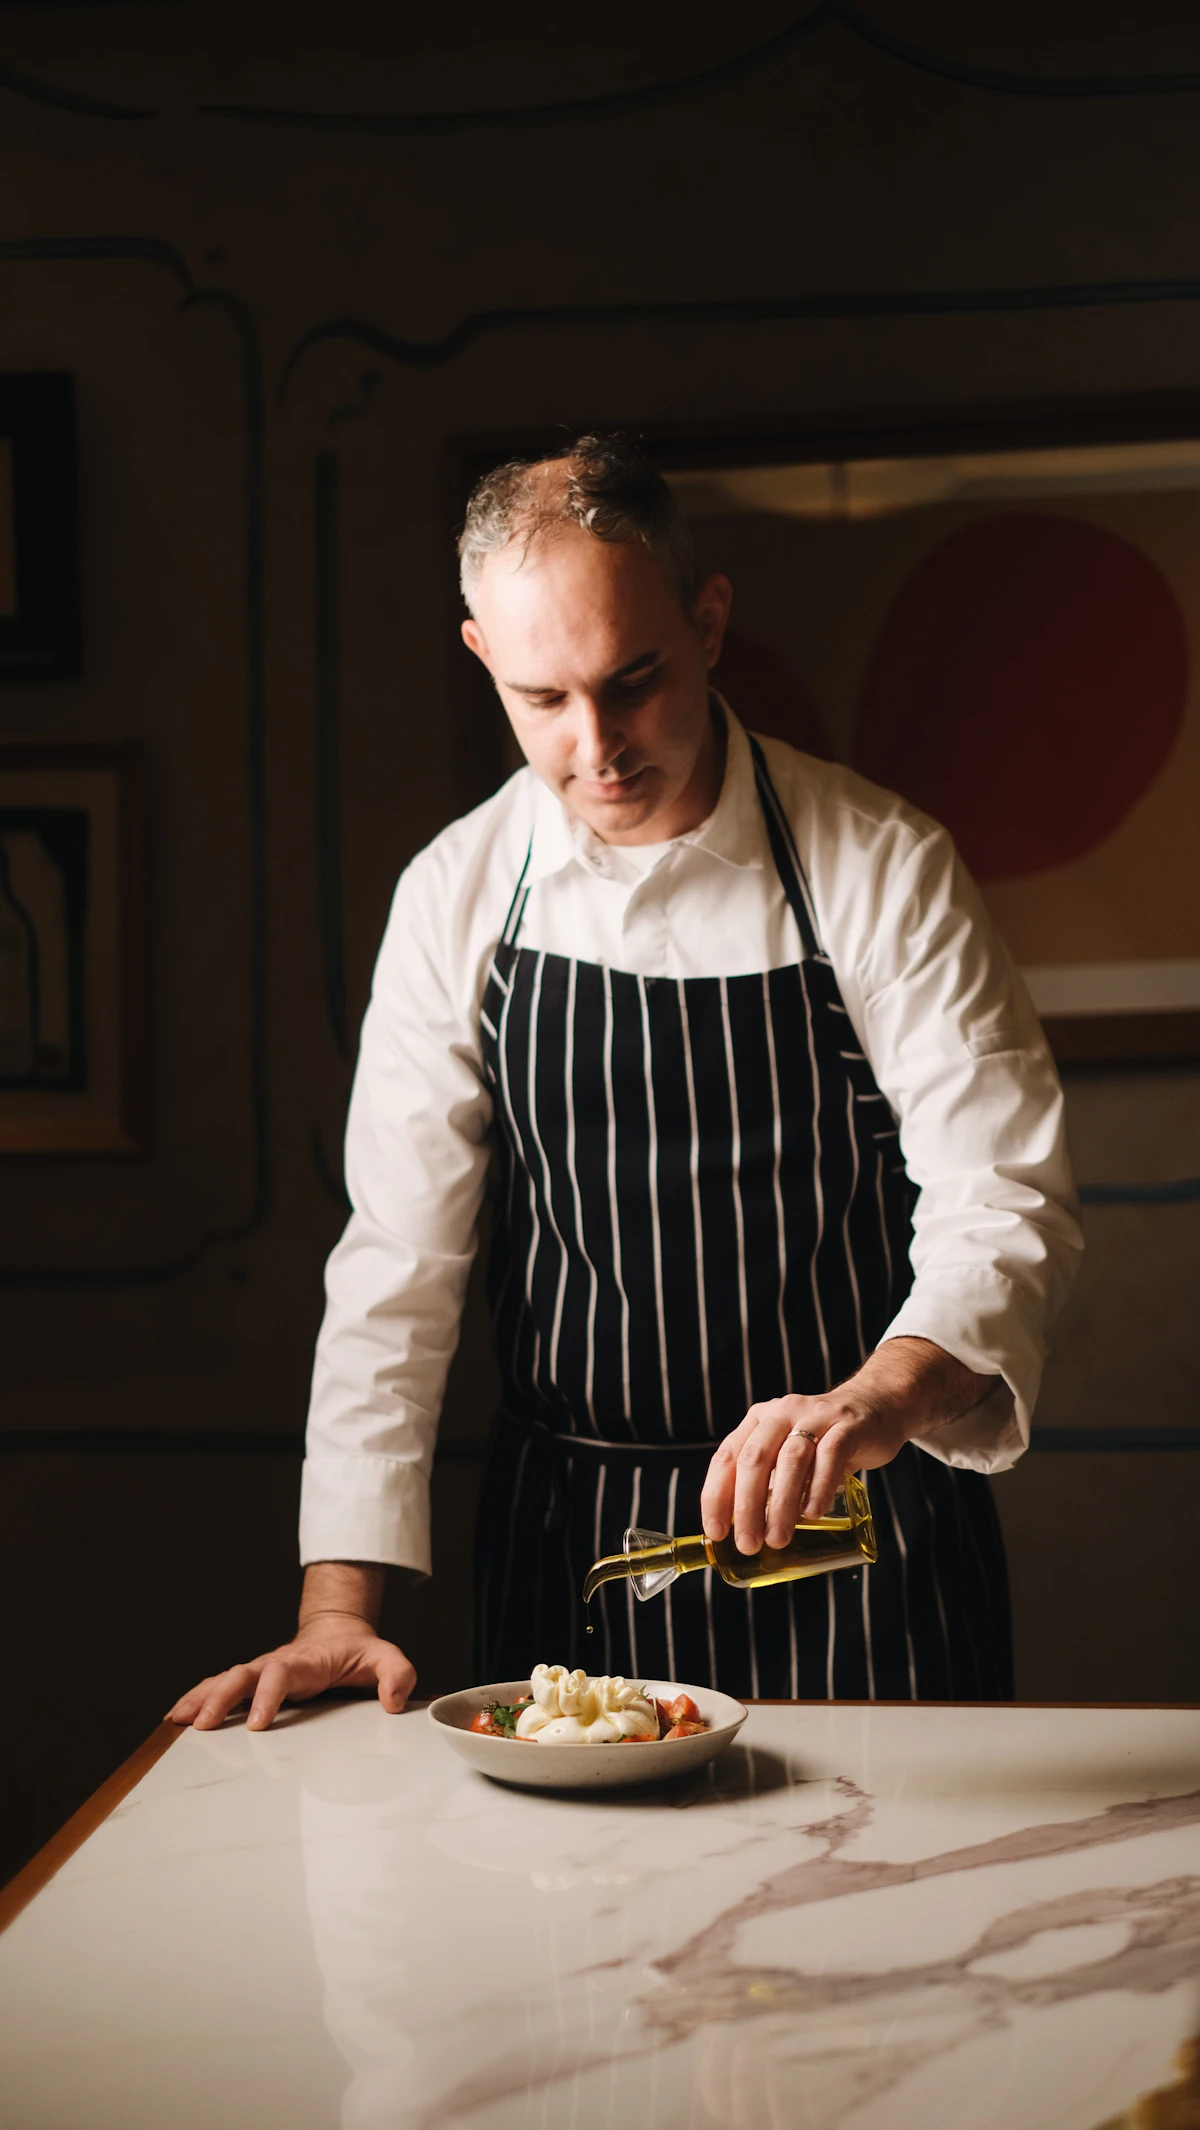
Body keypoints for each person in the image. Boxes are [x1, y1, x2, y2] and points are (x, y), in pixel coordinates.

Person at [170, 435, 1082, 1733]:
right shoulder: (456, 894)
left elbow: (1006, 1197)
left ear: (708, 625)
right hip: (579, 1556)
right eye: (543, 698)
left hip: (869, 1551)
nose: (596, 746)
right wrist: (336, 1609)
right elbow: (397, 1269)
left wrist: (880, 1397)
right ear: (482, 656)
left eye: (633, 681)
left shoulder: (883, 867)